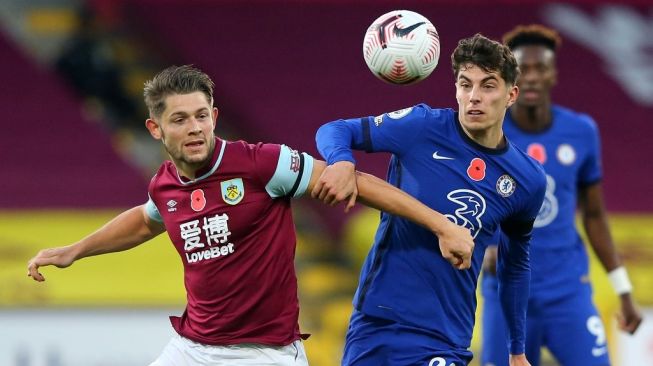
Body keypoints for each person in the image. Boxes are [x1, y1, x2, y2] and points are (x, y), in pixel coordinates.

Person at [26, 65, 475, 366]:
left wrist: (442, 224)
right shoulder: (165, 183)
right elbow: (147, 219)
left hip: (265, 354)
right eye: (180, 119)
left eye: (202, 115)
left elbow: (355, 183)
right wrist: (74, 250)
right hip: (192, 349)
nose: (195, 127)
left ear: (215, 116)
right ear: (155, 128)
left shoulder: (263, 164)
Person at [312, 34, 547, 366]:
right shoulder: (421, 127)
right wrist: (341, 160)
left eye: (488, 86)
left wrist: (517, 349)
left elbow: (516, 265)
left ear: (511, 95)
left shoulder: (526, 180)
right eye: (466, 85)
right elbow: (335, 130)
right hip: (377, 321)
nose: (474, 97)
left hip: (444, 336)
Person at [479, 24, 643, 366]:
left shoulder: (581, 132)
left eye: (542, 68)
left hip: (567, 293)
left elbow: (595, 215)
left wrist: (624, 291)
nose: (534, 77)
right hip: (506, 297)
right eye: (524, 69)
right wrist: (482, 248)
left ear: (554, 74)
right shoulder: (485, 133)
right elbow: (464, 203)